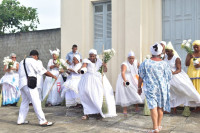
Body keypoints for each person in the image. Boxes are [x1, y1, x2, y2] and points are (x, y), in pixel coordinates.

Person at [138, 43, 172, 133]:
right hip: (162, 88)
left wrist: (139, 88)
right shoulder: (164, 64)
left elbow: (141, 76)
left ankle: (155, 128)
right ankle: (159, 125)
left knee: (153, 107)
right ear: (160, 52)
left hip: (150, 88)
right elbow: (169, 77)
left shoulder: (145, 63)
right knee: (160, 107)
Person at [17, 50, 56, 126]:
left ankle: (20, 120)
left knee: (24, 102)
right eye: (37, 57)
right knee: (36, 102)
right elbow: (43, 71)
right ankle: (42, 121)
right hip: (30, 84)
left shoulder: (22, 61)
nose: (37, 59)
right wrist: (53, 76)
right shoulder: (33, 61)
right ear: (35, 56)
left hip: (22, 84)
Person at [78, 49, 117, 120]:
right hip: (88, 79)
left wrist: (105, 66)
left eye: (93, 56)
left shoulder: (100, 61)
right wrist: (82, 69)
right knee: (86, 93)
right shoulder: (86, 61)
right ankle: (87, 113)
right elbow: (83, 67)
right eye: (90, 56)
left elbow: (105, 71)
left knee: (98, 94)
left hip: (98, 79)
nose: (92, 57)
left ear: (96, 56)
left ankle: (98, 111)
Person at [164, 42, 200, 116]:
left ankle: (194, 103)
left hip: (175, 77)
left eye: (168, 51)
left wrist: (172, 73)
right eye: (166, 51)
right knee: (169, 93)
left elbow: (179, 69)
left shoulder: (176, 58)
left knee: (183, 91)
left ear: (172, 50)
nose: (167, 52)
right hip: (167, 78)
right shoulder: (165, 57)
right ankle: (170, 108)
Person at [115, 51, 143, 116]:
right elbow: (123, 73)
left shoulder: (135, 62)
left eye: (133, 58)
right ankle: (125, 109)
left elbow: (140, 69)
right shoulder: (124, 64)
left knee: (135, 91)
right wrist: (126, 81)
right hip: (125, 79)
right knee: (125, 93)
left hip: (133, 78)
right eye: (130, 58)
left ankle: (136, 107)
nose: (131, 60)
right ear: (128, 58)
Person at [185, 40, 200, 112]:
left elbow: (197, 66)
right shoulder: (189, 54)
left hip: (198, 75)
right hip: (191, 74)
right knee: (192, 90)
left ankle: (198, 107)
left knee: (198, 90)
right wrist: (190, 57)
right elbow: (186, 64)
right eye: (194, 47)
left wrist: (194, 58)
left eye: (197, 47)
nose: (195, 49)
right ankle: (193, 105)